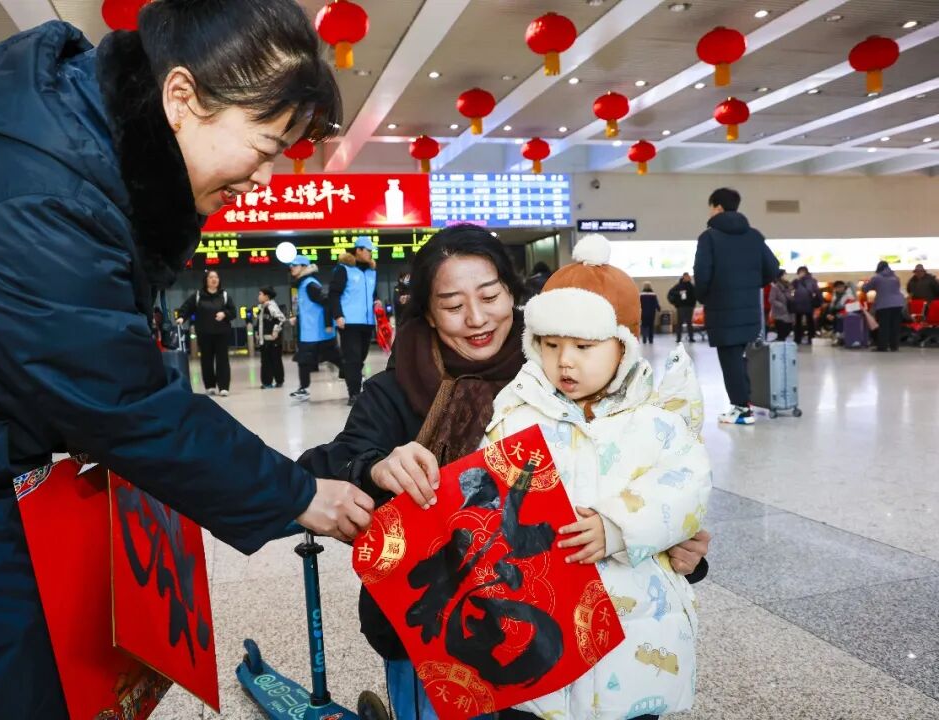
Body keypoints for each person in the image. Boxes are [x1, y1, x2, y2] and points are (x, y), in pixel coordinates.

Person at [0, 4, 376, 716]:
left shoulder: (75, 170)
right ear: (182, 99)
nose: (263, 179)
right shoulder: (35, 200)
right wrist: (295, 494)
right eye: (264, 147)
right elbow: (124, 403)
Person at [299, 225, 711, 720]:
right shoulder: (397, 388)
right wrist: (377, 466)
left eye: (490, 297)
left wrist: (672, 543)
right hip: (445, 622)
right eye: (453, 305)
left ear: (513, 296)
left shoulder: (564, 371)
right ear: (427, 312)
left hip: (560, 621)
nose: (476, 318)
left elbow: (638, 472)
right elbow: (327, 465)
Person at [488, 234, 712, 720]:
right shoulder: (515, 414)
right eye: (550, 345)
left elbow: (687, 484)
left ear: (623, 346)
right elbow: (490, 497)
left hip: (634, 627)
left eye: (584, 346)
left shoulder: (655, 421)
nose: (564, 360)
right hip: (543, 619)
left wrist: (617, 527)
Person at [693, 188, 779, 426]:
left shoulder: (709, 237)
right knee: (741, 359)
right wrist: (752, 284)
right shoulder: (754, 236)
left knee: (730, 360)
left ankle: (741, 409)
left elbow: (702, 274)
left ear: (718, 207)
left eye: (711, 207)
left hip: (722, 310)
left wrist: (704, 297)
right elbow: (773, 268)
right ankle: (744, 404)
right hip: (749, 310)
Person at [331, 237, 379, 406]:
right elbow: (334, 294)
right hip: (349, 321)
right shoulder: (344, 269)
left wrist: (377, 301)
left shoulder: (372, 271)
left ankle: (354, 384)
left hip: (367, 322)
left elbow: (373, 294)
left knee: (361, 357)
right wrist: (338, 315)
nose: (370, 254)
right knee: (353, 358)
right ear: (358, 250)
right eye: (368, 250)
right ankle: (354, 393)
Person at [289, 255, 343, 401]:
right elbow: (309, 308)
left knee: (336, 358)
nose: (292, 268)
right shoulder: (302, 285)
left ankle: (355, 377)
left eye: (295, 265)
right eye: (291, 266)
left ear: (304, 267)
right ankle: (303, 388)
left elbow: (327, 302)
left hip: (318, 332)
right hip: (310, 333)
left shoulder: (310, 285)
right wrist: (297, 317)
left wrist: (328, 324)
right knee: (304, 361)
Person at [178, 269, 236, 396]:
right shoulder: (198, 295)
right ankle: (210, 386)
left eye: (216, 277)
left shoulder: (224, 295)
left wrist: (224, 314)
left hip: (222, 333)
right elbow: (187, 307)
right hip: (204, 333)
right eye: (211, 277)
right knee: (206, 360)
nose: (214, 279)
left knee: (222, 360)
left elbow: (233, 312)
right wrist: (182, 317)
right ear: (206, 280)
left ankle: (224, 387)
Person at [864, 260, 907, 352]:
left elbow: (866, 289)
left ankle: (882, 347)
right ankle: (894, 346)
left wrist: (865, 285)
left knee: (884, 326)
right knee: (895, 325)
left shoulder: (877, 278)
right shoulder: (895, 277)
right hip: (898, 304)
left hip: (884, 304)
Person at [256, 286, 287, 388]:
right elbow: (260, 323)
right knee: (265, 362)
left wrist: (275, 331)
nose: (258, 296)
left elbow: (281, 319)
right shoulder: (262, 308)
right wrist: (257, 333)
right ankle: (267, 382)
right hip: (264, 340)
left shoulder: (271, 306)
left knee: (275, 361)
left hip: (273, 341)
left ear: (267, 296)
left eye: (260, 294)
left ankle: (279, 380)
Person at [790, 266, 821, 345]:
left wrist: (819, 301)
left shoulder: (811, 281)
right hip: (799, 304)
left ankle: (809, 338)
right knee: (799, 322)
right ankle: (799, 339)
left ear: (805, 272)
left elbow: (817, 291)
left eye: (801, 272)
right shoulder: (797, 281)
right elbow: (790, 288)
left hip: (807, 304)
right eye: (799, 272)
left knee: (809, 322)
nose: (800, 274)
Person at [667, 272, 697, 342]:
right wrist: (679, 293)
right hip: (681, 306)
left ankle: (691, 337)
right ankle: (678, 338)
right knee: (680, 323)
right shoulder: (678, 286)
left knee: (689, 323)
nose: (688, 278)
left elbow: (695, 295)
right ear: (683, 277)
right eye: (686, 277)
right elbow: (671, 293)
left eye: (688, 277)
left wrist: (693, 304)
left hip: (689, 306)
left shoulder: (691, 286)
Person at [768, 270, 794, 341]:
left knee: (788, 329)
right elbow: (771, 299)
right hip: (779, 313)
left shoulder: (789, 286)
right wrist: (781, 305)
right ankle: (780, 345)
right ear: (780, 276)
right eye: (785, 274)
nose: (786, 276)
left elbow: (790, 296)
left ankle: (781, 343)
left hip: (789, 311)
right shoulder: (775, 287)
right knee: (782, 333)